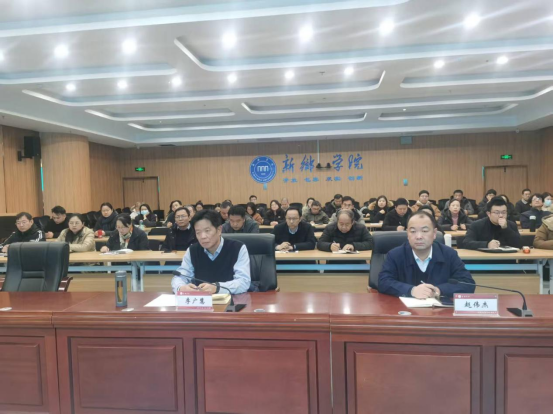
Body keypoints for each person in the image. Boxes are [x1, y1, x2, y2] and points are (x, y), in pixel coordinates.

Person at [378, 211, 476, 298]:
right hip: (403, 310)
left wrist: (438, 290)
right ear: (407, 234)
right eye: (413, 231)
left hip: (439, 311)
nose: (419, 236)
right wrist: (411, 290)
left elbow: (468, 283)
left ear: (434, 233)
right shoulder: (395, 255)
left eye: (424, 231)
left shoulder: (449, 254)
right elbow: (383, 282)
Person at [172, 209, 251, 294]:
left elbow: (243, 282)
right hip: (201, 300)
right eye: (198, 232)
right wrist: (181, 288)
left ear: (219, 230)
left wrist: (217, 288)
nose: (203, 236)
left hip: (233, 299)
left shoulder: (238, 248)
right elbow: (180, 276)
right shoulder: (192, 250)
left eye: (207, 231)